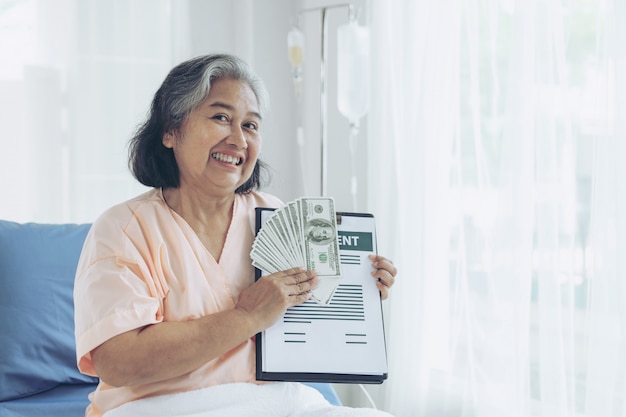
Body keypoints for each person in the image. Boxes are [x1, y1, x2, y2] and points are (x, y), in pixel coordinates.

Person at [73, 53, 397, 417]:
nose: (238, 139)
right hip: (162, 407)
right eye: (220, 117)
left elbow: (308, 322)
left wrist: (357, 291)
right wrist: (246, 316)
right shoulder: (124, 229)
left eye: (251, 125)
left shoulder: (275, 216)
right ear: (170, 131)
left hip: (277, 402)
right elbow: (119, 362)